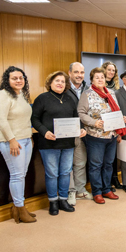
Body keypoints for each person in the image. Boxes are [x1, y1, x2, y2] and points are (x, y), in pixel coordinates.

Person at [32, 71, 86, 215]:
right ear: (50, 83)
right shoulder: (42, 98)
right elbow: (34, 119)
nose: (60, 83)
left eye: (63, 81)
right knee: (52, 174)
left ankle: (63, 199)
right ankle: (53, 202)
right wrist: (44, 132)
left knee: (65, 173)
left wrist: (81, 129)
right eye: (57, 81)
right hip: (49, 144)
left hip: (68, 144)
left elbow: (76, 119)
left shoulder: (69, 99)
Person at [78, 67, 126, 204]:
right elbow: (81, 113)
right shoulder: (87, 94)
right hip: (95, 136)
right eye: (97, 78)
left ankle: (107, 189)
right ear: (92, 80)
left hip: (111, 136)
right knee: (96, 165)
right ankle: (97, 192)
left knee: (108, 164)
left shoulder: (111, 92)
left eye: (102, 77)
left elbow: (116, 110)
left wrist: (121, 118)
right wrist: (94, 122)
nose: (100, 80)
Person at [0, 66, 36, 223]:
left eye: (21, 78)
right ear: (7, 80)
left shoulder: (21, 95)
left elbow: (25, 119)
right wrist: (11, 140)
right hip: (12, 141)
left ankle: (18, 208)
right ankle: (20, 209)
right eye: (14, 78)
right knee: (17, 175)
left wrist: (29, 136)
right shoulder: (3, 95)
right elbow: (1, 120)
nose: (19, 80)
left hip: (26, 140)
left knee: (22, 174)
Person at [66, 62, 92, 206]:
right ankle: (71, 191)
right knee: (68, 164)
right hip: (68, 132)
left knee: (81, 162)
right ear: (69, 73)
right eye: (76, 72)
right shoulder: (64, 88)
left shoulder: (87, 89)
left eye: (81, 72)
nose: (79, 75)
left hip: (84, 132)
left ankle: (81, 189)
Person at [101, 61, 122, 190]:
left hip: (114, 126)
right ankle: (105, 184)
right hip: (102, 127)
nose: (111, 72)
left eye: (113, 70)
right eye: (109, 70)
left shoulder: (116, 88)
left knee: (112, 157)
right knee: (103, 159)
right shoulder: (98, 87)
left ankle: (114, 178)